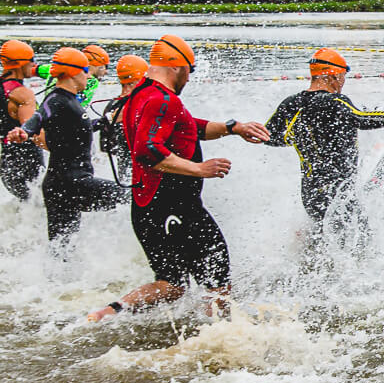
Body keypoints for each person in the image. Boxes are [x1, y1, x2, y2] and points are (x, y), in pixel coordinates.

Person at [87, 35, 269, 322]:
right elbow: (147, 151)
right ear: (178, 67)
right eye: (190, 70)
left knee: (171, 285)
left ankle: (104, 314)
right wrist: (199, 169)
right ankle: (217, 340)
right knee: (218, 280)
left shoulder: (140, 94)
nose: (189, 78)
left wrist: (233, 127)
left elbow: (188, 127)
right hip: (175, 207)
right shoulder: (162, 99)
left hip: (147, 207)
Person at [263, 48, 384, 228]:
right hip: (339, 193)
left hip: (310, 194)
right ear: (333, 76)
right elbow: (361, 118)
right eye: (343, 77)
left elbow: (267, 136)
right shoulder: (335, 102)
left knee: (322, 240)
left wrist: (295, 138)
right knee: (361, 243)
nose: (343, 82)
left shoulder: (292, 103)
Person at [5, 48, 123, 243]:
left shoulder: (72, 101)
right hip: (70, 183)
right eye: (85, 70)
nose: (88, 75)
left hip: (66, 184)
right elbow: (39, 116)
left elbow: (80, 129)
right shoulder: (56, 99)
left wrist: (107, 120)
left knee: (63, 251)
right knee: (129, 199)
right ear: (73, 72)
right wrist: (24, 131)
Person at [2, 39, 44, 201]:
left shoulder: (2, 88)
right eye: (32, 60)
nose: (34, 65)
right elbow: (32, 132)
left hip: (7, 164)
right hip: (27, 161)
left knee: (25, 206)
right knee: (38, 209)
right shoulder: (22, 94)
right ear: (21, 63)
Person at [97, 54, 147, 186]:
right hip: (143, 175)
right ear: (140, 78)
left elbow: (105, 147)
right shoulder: (141, 105)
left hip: (123, 175)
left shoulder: (111, 106)